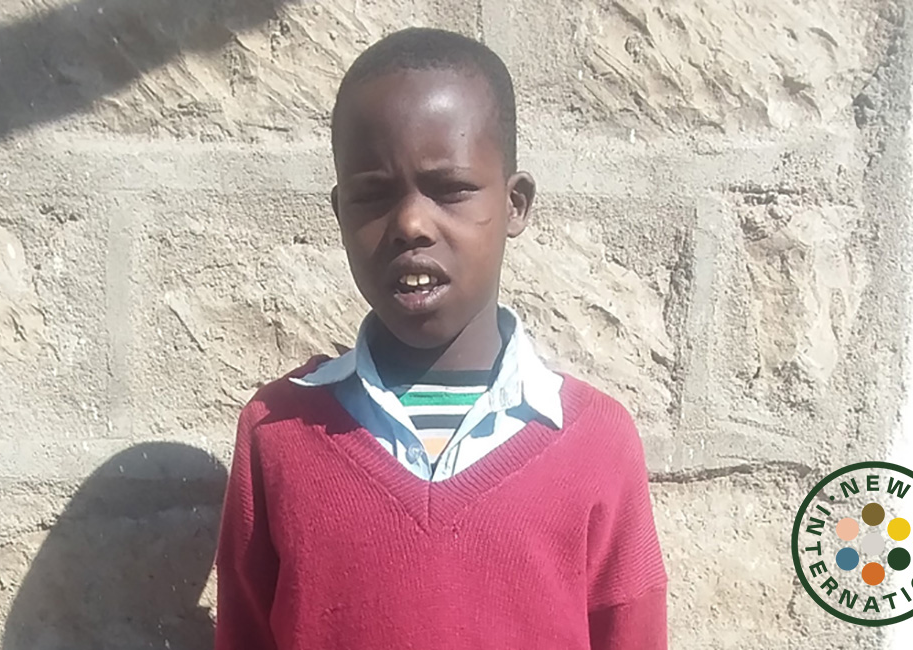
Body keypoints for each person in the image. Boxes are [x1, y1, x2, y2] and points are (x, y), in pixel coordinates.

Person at [214, 27, 667, 650]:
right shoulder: (278, 431)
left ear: (515, 205)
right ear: (340, 212)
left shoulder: (596, 440)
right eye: (373, 195)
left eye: (450, 189)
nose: (410, 223)